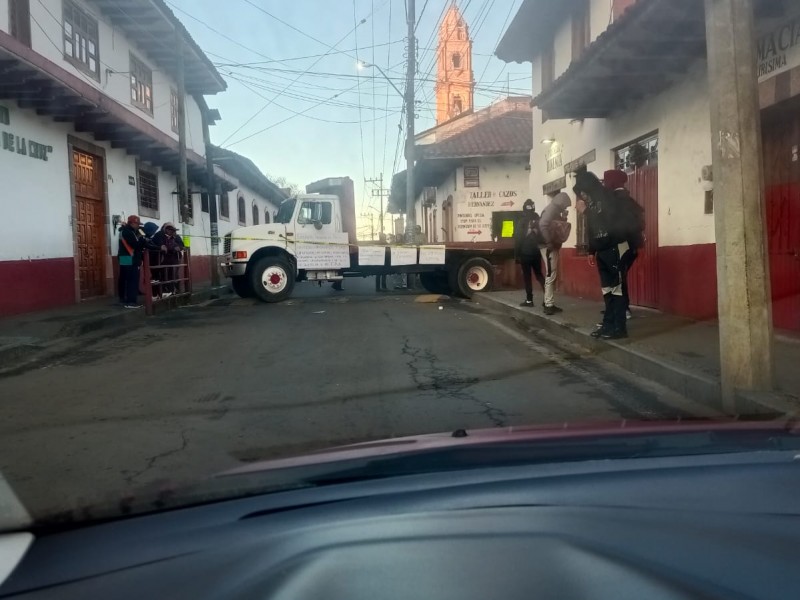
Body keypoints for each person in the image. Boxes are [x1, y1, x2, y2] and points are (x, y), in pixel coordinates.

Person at [574, 170, 630, 339]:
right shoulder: (592, 203)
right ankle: (608, 325)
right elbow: (593, 229)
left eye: (582, 192)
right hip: (602, 250)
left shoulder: (607, 197)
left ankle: (619, 328)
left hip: (615, 247)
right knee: (607, 290)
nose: (581, 196)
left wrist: (586, 212)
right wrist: (591, 251)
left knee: (617, 290)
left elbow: (609, 222)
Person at [603, 169, 645, 320]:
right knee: (621, 275)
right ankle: (619, 306)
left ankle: (623, 308)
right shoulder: (629, 199)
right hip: (632, 246)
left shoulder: (614, 200)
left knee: (618, 276)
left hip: (620, 244)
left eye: (606, 180)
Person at [538, 192, 572, 315]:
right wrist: (549, 242)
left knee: (551, 274)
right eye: (566, 205)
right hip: (549, 247)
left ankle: (548, 302)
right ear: (562, 202)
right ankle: (548, 304)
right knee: (550, 274)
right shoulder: (552, 209)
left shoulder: (552, 209)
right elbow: (543, 224)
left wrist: (564, 218)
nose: (566, 208)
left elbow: (556, 227)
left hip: (549, 246)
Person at [118, 215, 161, 309]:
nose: (139, 226)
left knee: (126, 278)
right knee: (131, 279)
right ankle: (130, 301)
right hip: (129, 257)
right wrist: (142, 239)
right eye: (137, 224)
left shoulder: (132, 231)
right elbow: (136, 245)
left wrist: (155, 246)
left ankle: (125, 298)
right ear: (132, 223)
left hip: (126, 257)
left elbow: (144, 243)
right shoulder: (127, 232)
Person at [514, 199, 545, 308]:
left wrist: (516, 255)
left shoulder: (522, 221)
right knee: (539, 275)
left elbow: (518, 239)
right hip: (536, 252)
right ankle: (548, 298)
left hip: (525, 253)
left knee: (527, 277)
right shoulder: (538, 219)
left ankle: (529, 300)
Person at [152, 222, 185, 296]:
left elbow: (182, 245)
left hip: (174, 258)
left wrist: (179, 247)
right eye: (171, 230)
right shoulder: (159, 235)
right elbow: (160, 245)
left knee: (174, 275)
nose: (173, 232)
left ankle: (174, 290)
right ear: (165, 229)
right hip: (162, 259)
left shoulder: (176, 236)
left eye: (173, 230)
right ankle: (164, 292)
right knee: (163, 275)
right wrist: (171, 248)